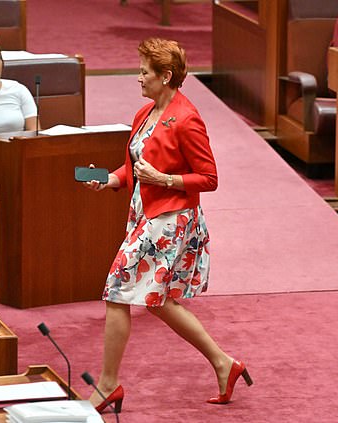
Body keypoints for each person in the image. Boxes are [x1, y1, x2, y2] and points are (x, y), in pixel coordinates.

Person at [84, 38, 253, 413]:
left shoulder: (187, 118)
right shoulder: (144, 113)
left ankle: (108, 384)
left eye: (144, 71)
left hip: (171, 220)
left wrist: (164, 179)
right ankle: (225, 364)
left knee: (117, 290)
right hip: (146, 213)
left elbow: (209, 178)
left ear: (166, 76)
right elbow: (134, 167)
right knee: (159, 302)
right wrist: (110, 179)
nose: (138, 77)